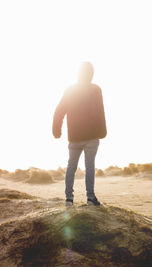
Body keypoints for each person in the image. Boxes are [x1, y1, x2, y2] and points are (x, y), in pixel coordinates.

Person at [52, 62, 107, 206]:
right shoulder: (95, 89)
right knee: (89, 167)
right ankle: (90, 198)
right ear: (91, 73)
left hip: (74, 136)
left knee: (71, 166)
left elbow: (59, 111)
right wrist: (102, 132)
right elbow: (99, 112)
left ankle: (69, 199)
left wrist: (56, 129)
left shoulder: (70, 89)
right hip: (91, 136)